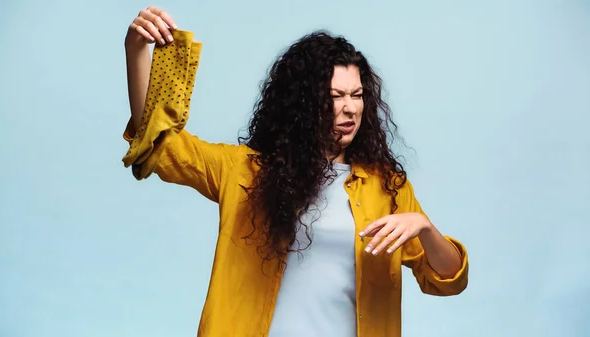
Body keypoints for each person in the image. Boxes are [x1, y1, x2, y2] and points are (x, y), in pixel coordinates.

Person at [122, 6, 469, 337]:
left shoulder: (386, 187)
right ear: (303, 103)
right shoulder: (245, 171)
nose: (350, 108)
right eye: (335, 96)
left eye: (357, 95)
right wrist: (136, 50)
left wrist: (424, 227)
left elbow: (447, 278)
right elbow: (158, 145)